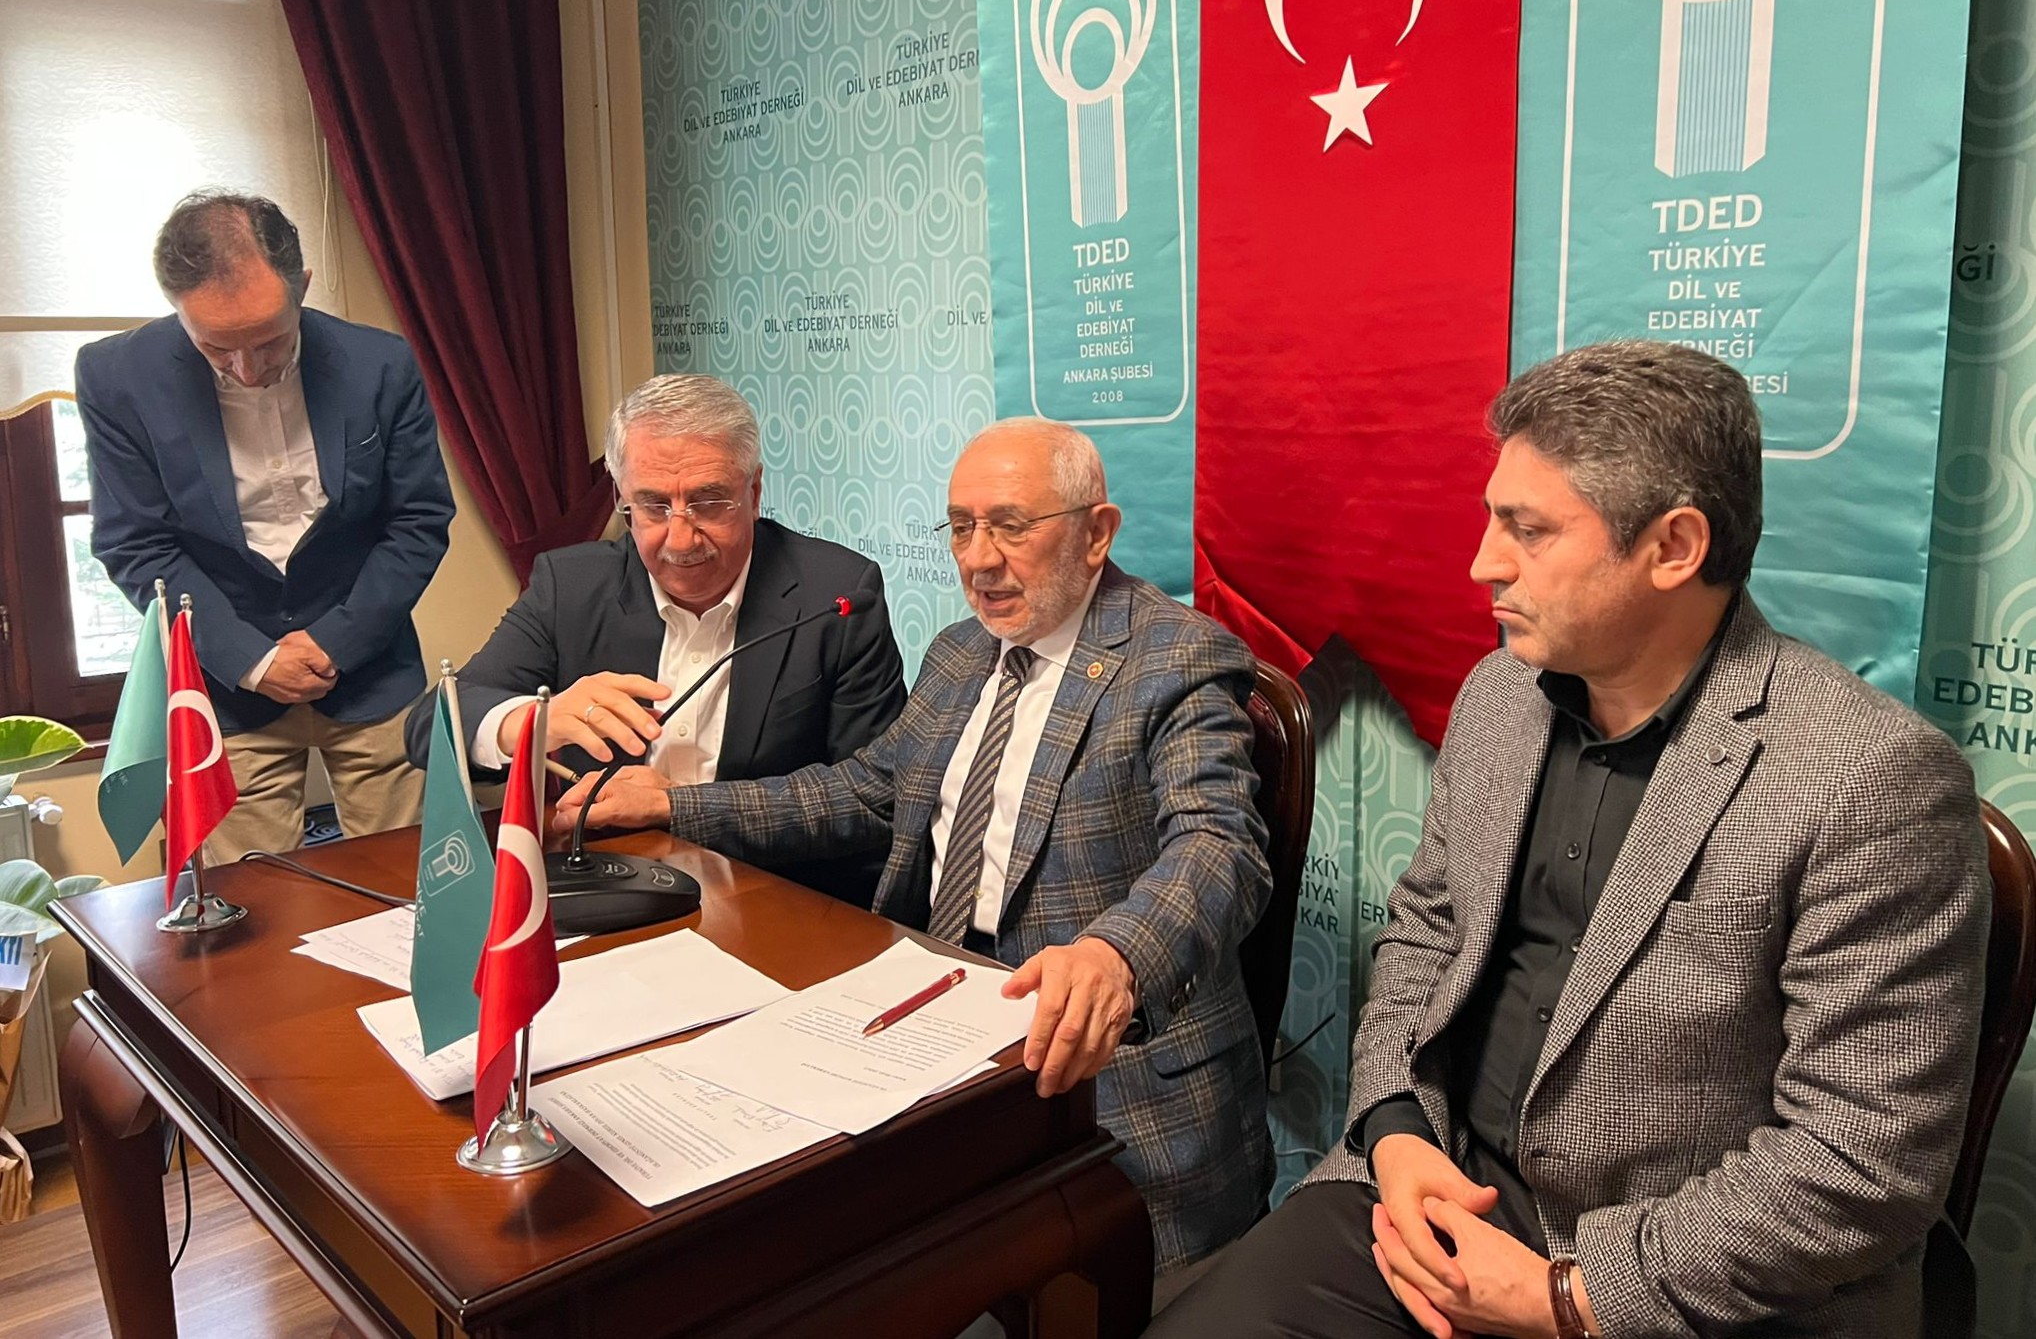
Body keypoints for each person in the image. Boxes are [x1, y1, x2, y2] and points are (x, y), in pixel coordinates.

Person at [1150, 340, 1990, 1338]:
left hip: (1680, 1281)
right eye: (1491, 518)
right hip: (1441, 1189)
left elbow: (1859, 1157)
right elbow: (1425, 930)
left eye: (1529, 529)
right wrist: (1395, 1130)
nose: (1483, 562)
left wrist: (1565, 1297)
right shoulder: (1498, 695)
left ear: (1673, 547)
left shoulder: (1870, 778)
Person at [559, 417, 1274, 1272]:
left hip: (1101, 1074)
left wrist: (1116, 955)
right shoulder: (961, 653)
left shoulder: (1177, 658)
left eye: (1011, 525)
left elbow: (1218, 844)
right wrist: (674, 803)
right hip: (937, 1022)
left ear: (1096, 534)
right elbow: (866, 790)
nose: (978, 558)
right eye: (962, 527)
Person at [412, 373, 907, 905]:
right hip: (610, 884)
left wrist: (681, 806)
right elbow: (428, 727)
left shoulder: (836, 594)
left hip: (773, 894)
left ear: (754, 492)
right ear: (621, 498)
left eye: (709, 502)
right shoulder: (570, 587)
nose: (680, 538)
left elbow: (874, 798)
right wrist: (530, 723)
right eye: (652, 506)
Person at [80, 191, 453, 863]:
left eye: (271, 341)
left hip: (371, 668)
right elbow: (135, 542)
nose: (249, 371)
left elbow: (419, 520)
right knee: (254, 901)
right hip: (229, 685)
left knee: (409, 882)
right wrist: (252, 659)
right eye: (217, 348)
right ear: (176, 307)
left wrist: (337, 639)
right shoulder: (116, 377)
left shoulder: (381, 363)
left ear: (301, 285)